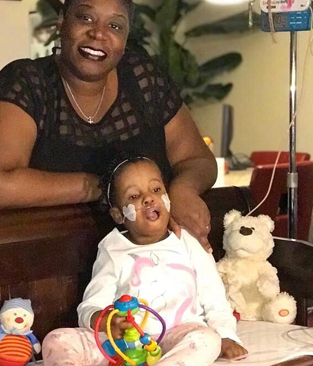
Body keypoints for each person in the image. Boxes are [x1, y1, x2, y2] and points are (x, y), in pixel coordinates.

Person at [0, 0, 216, 250]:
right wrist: (107, 188)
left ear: (125, 38)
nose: (99, 34)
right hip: (46, 263)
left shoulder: (144, 79)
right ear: (62, 21)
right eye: (86, 18)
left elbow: (198, 159)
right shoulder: (27, 82)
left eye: (115, 25)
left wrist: (183, 189)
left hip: (154, 264)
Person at [42, 154, 248, 366]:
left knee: (208, 340)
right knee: (56, 340)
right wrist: (103, 320)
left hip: (177, 336)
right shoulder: (112, 249)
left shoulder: (188, 242)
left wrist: (225, 334)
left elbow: (215, 297)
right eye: (133, 197)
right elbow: (91, 305)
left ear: (168, 199)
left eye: (156, 190)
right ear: (118, 215)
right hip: (125, 345)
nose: (148, 198)